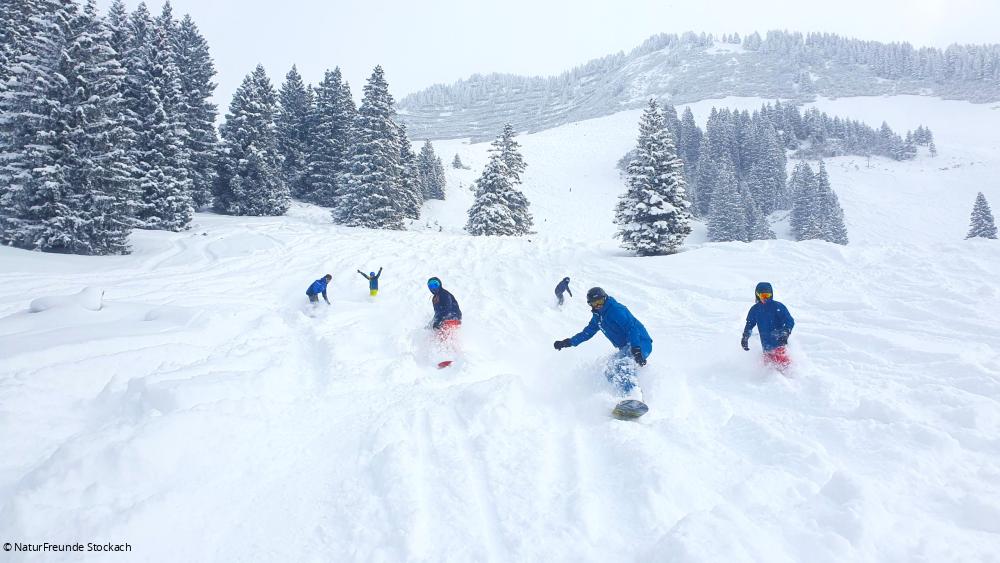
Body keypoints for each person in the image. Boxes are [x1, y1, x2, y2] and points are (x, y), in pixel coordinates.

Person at [553, 287, 653, 398]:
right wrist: (568, 342)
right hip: (627, 347)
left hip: (640, 342)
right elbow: (587, 333)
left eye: (600, 301)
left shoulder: (615, 310)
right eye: (594, 303)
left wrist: (636, 349)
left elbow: (632, 328)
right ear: (590, 304)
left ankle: (634, 397)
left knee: (622, 365)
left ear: (605, 298)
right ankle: (625, 397)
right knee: (610, 370)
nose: (598, 305)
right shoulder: (598, 317)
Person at [741, 282, 795, 369]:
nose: (765, 298)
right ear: (757, 295)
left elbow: (789, 321)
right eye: (763, 296)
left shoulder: (778, 306)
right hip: (766, 347)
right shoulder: (755, 309)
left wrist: (785, 332)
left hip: (779, 343)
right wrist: (745, 337)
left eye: (767, 295)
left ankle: (795, 374)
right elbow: (749, 324)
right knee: (769, 369)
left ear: (771, 294)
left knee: (785, 367)